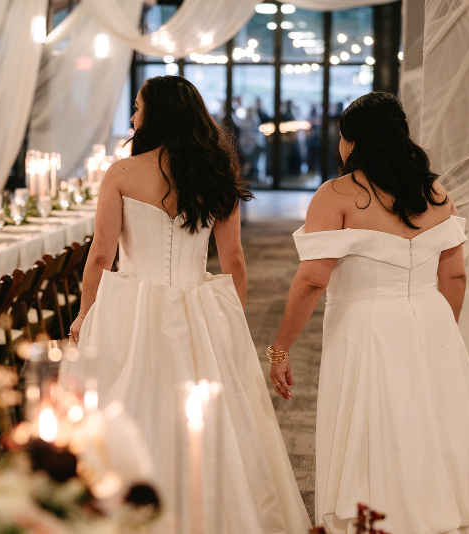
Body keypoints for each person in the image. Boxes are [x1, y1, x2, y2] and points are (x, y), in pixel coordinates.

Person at [61, 76, 311, 533]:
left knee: (128, 406)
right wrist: (229, 320)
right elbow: (234, 260)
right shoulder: (215, 172)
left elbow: (101, 256)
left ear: (154, 115)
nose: (133, 117)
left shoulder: (122, 173)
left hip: (131, 308)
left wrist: (84, 313)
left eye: (137, 108)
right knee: (215, 418)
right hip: (199, 306)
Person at [268, 92, 469, 533]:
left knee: (372, 431)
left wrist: (280, 348)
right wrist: (437, 332)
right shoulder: (434, 192)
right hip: (432, 320)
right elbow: (455, 277)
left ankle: (378, 519)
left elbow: (313, 279)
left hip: (365, 327)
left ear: (352, 142)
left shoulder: (336, 194)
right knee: (429, 425)